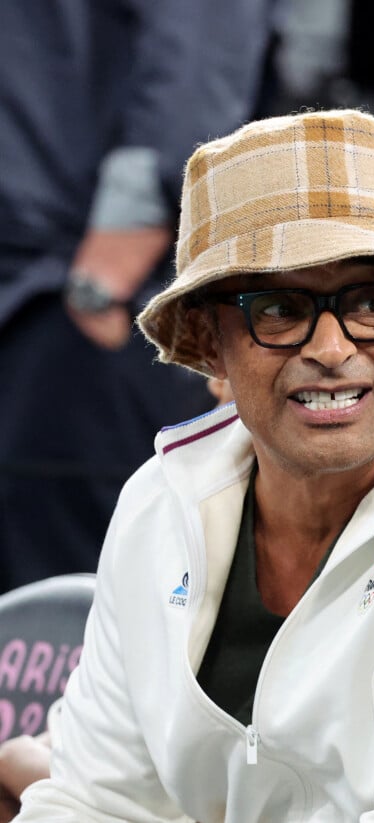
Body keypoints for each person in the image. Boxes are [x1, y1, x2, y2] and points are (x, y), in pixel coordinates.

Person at [12, 109, 374, 822]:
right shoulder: (161, 498)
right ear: (208, 343)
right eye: (279, 308)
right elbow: (94, 799)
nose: (334, 347)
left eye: (372, 301)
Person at [0, 0, 275, 592]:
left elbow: (201, 44)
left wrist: (112, 262)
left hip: (70, 286)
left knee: (69, 606)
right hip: (44, 272)